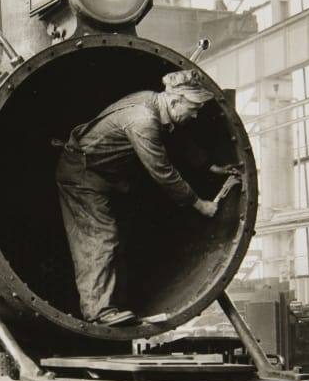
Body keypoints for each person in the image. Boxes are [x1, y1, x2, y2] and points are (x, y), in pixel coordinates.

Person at [55, 69, 240, 326]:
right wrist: (200, 205)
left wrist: (208, 166)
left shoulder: (155, 103)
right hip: (82, 177)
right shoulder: (142, 121)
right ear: (175, 100)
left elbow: (174, 136)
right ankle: (98, 312)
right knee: (101, 237)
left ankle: (114, 305)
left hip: (108, 177)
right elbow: (163, 172)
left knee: (117, 238)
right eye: (193, 108)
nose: (196, 115)